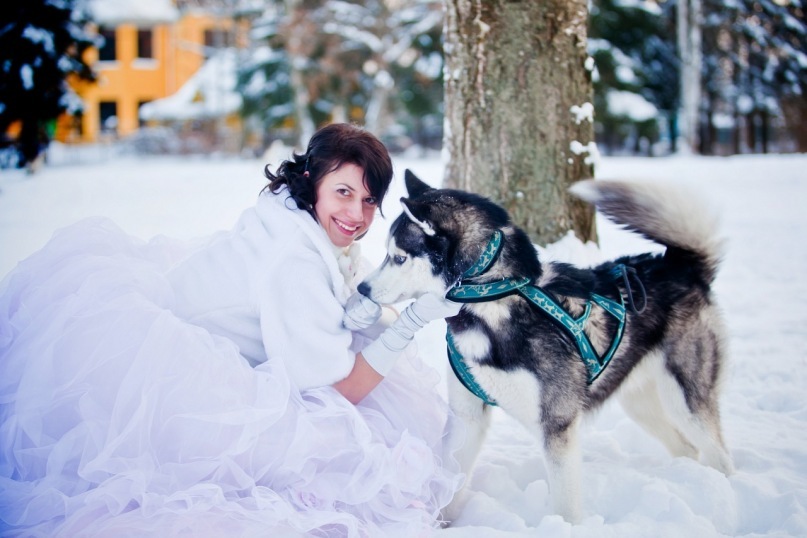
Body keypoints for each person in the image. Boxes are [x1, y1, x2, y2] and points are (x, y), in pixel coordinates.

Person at [0, 123, 462, 537]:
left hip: (186, 328)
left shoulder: (294, 217)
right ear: (312, 182)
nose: (357, 215)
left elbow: (332, 302)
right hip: (173, 381)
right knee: (337, 455)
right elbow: (339, 393)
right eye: (343, 192)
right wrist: (408, 324)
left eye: (369, 200)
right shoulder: (294, 263)